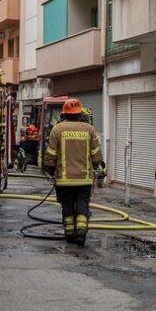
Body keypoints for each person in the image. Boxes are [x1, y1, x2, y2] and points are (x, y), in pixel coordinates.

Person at [42, 98, 104, 245]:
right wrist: (97, 165)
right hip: (84, 179)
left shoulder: (57, 129)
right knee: (83, 203)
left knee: (67, 205)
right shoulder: (89, 129)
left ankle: (69, 234)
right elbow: (96, 154)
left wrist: (49, 169)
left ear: (64, 114)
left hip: (64, 179)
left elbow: (51, 154)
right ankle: (81, 232)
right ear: (79, 113)